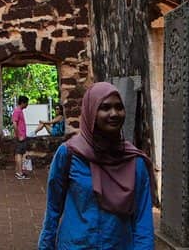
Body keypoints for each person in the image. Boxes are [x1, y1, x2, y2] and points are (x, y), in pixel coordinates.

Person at [38, 82, 154, 250]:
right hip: (74, 245)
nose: (114, 113)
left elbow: (142, 220)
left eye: (119, 107)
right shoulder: (69, 154)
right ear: (90, 111)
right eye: (105, 108)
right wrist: (45, 246)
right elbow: (53, 209)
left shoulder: (135, 161)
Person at [13, 95, 30, 180]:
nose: (27, 105)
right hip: (20, 137)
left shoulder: (20, 111)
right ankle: (19, 173)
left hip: (22, 136)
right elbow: (15, 124)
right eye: (26, 103)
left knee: (19, 153)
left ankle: (19, 171)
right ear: (23, 103)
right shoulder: (17, 111)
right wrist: (18, 135)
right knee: (19, 154)